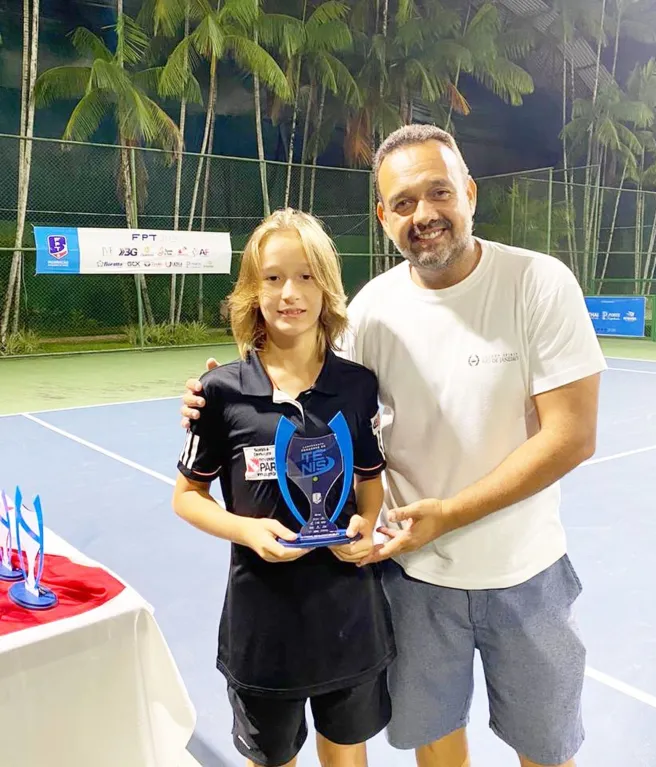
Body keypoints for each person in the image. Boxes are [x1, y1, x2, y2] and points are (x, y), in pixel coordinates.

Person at [181, 125, 606, 767]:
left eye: (439, 192)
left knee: (547, 750)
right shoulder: (372, 311)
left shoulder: (539, 283)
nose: (424, 214)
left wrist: (449, 513)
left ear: (469, 192)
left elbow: (572, 437)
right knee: (434, 743)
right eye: (403, 203)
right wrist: (216, 391)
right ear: (383, 216)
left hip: (526, 572)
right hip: (412, 576)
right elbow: (309, 387)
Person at [173, 208, 395, 767]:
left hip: (349, 617)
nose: (289, 292)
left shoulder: (357, 385)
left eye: (305, 276)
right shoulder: (220, 392)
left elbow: (370, 480)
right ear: (252, 290)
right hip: (263, 628)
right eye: (272, 278)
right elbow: (186, 497)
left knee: (346, 753)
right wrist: (247, 529)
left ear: (327, 287)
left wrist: (365, 528)